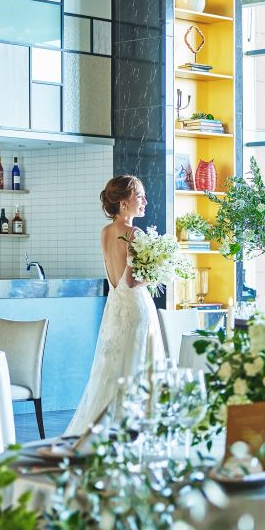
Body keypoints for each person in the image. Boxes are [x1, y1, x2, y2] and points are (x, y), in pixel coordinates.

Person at [66, 175, 167, 435]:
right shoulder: (134, 234)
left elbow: (119, 277)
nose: (145, 201)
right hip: (135, 308)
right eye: (140, 196)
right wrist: (159, 273)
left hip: (114, 307)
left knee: (113, 367)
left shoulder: (106, 232)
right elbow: (132, 282)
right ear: (124, 203)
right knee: (137, 365)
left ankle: (104, 428)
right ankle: (135, 429)